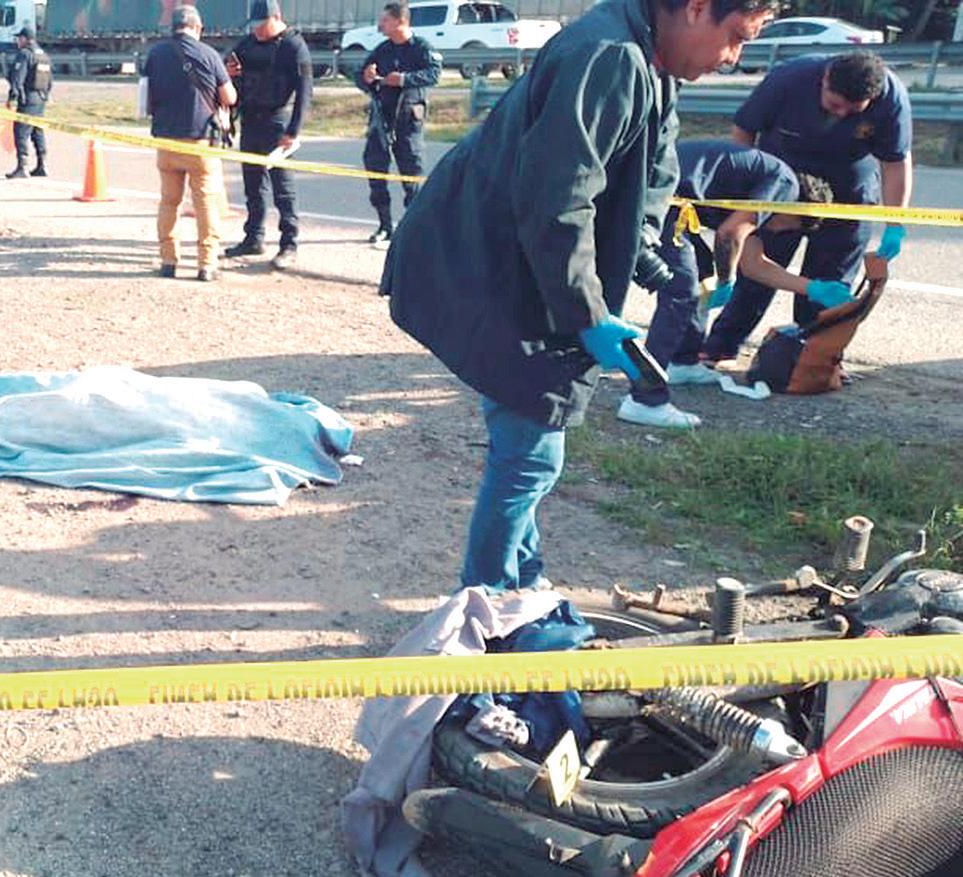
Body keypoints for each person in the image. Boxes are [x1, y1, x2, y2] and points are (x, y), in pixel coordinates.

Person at [381, 0, 776, 592]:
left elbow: (652, 170)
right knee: (531, 454)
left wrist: (644, 249)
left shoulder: (653, 59)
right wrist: (588, 313)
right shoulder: (609, 56)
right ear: (697, 8)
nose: (733, 58)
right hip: (497, 262)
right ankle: (488, 608)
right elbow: (557, 202)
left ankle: (523, 584)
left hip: (523, 265)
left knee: (524, 439)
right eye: (736, 38)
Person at [703, 51, 912, 362]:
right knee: (757, 276)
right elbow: (744, 131)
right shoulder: (789, 80)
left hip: (848, 195)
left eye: (852, 110)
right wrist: (746, 190)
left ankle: (814, 358)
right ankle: (721, 346)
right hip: (783, 189)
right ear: (825, 80)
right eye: (835, 105)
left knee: (831, 284)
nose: (841, 114)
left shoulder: (891, 98)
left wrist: (895, 223)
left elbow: (895, 162)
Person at [621, 140, 846, 428]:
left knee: (700, 273)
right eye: (789, 226)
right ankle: (644, 399)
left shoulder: (760, 188)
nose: (780, 231)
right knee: (682, 291)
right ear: (795, 208)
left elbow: (753, 264)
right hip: (656, 193)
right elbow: (729, 235)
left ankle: (682, 361)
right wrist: (726, 278)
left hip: (664, 192)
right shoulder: (784, 186)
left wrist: (811, 287)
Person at [141, 5, 237, 282]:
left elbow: (145, 96)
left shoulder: (155, 54)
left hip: (167, 142)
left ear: (173, 27)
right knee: (205, 204)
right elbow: (229, 97)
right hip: (200, 142)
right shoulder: (209, 54)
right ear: (197, 27)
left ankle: (168, 261)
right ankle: (206, 265)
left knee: (169, 202)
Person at [222, 0, 312, 271]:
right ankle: (254, 237)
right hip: (251, 121)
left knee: (283, 188)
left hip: (277, 122)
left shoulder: (293, 46)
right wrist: (228, 70)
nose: (257, 31)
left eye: (262, 25)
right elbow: (227, 65)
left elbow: (305, 93)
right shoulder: (248, 44)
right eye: (254, 26)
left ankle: (289, 244)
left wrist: (293, 131)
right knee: (253, 185)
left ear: (276, 18)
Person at [356, 3, 441, 247]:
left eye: (385, 20)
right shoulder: (382, 50)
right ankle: (384, 225)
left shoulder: (421, 48)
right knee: (375, 169)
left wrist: (404, 79)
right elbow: (360, 76)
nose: (380, 24)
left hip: (408, 121)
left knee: (411, 174)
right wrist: (367, 78)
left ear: (400, 21)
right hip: (382, 120)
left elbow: (434, 73)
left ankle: (413, 228)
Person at [5, 25, 53, 178]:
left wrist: (12, 97)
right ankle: (42, 165)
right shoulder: (44, 55)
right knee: (37, 131)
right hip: (41, 99)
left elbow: (18, 78)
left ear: (25, 39)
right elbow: (49, 81)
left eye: (19, 38)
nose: (18, 41)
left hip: (28, 99)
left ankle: (22, 167)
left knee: (21, 132)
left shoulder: (25, 54)